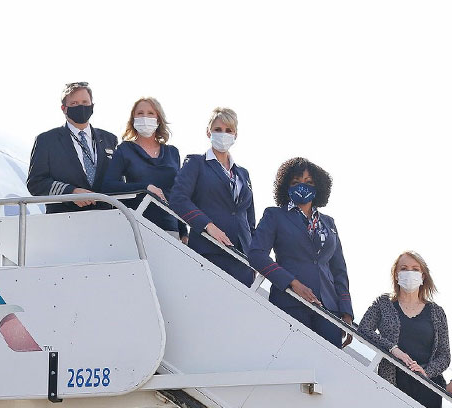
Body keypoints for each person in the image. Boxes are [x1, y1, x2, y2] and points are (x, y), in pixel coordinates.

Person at [249, 158, 353, 347]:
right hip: (290, 302)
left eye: (309, 182)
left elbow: (339, 270)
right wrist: (292, 283)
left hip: (328, 310)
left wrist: (346, 312)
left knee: (327, 369)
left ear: (319, 187)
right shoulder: (275, 215)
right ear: (286, 186)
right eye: (296, 182)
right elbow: (256, 254)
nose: (302, 187)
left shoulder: (328, 223)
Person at [169, 107, 255, 285]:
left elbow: (249, 218)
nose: (223, 134)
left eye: (228, 130)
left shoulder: (243, 174)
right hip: (208, 250)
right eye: (218, 129)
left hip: (241, 259)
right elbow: (178, 198)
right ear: (208, 132)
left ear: (235, 135)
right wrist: (207, 225)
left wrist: (254, 256)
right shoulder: (196, 164)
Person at [357, 251, 450, 408]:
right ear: (396, 275)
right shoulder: (383, 304)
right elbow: (363, 329)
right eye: (404, 268)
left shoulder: (436, 312)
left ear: (423, 276)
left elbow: (444, 356)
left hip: (427, 389)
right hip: (391, 382)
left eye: (415, 269)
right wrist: (393, 349)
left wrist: (426, 372)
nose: (410, 273)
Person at [101, 97, 187, 242]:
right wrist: (145, 188)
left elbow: (177, 193)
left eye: (150, 113)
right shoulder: (125, 150)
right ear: (133, 119)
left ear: (158, 119)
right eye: (140, 113)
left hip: (170, 229)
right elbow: (108, 186)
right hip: (139, 226)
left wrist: (183, 230)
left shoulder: (172, 152)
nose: (145, 117)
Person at [26, 82, 118, 214]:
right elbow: (36, 183)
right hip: (64, 220)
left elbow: (118, 180)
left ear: (92, 106)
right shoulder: (46, 140)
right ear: (64, 108)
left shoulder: (110, 139)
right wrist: (71, 192)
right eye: (74, 103)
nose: (81, 106)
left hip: (106, 218)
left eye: (85, 102)